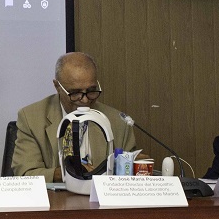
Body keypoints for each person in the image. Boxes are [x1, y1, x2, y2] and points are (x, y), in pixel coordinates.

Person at [11, 52, 135, 181]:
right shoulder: (31, 118)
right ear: (57, 86)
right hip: (57, 193)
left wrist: (135, 165)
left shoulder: (118, 121)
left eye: (91, 90)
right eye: (75, 93)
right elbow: (25, 173)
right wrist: (66, 173)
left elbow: (129, 173)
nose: (85, 100)